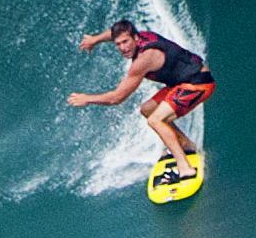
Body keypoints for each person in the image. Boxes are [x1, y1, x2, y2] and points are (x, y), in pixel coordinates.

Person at [68, 18, 213, 175]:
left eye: (125, 42)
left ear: (136, 38)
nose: (123, 48)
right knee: (148, 109)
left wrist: (87, 99)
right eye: (118, 44)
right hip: (181, 83)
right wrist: (95, 39)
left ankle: (185, 168)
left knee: (155, 120)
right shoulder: (139, 36)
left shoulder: (143, 60)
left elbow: (117, 98)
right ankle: (185, 145)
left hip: (198, 83)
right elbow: (115, 34)